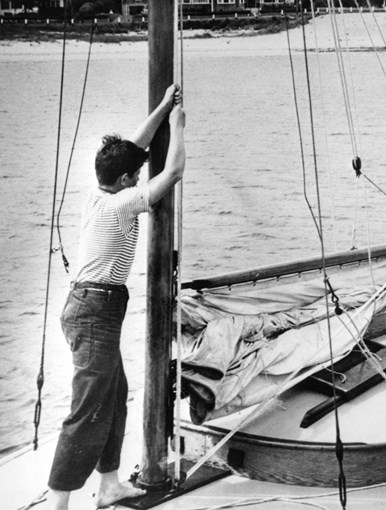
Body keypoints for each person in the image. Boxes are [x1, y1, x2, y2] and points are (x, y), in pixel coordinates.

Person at [46, 84, 186, 510]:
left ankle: (108, 485)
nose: (139, 177)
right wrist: (178, 126)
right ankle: (58, 502)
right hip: (95, 310)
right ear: (125, 182)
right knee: (87, 407)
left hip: (93, 307)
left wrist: (162, 107)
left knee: (114, 395)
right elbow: (173, 172)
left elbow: (134, 150)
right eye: (135, 176)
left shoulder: (98, 193)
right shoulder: (122, 205)